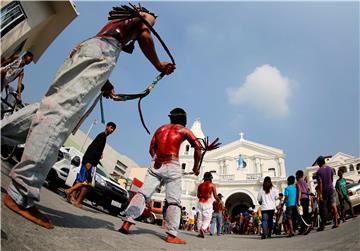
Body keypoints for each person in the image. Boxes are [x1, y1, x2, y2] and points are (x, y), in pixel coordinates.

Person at [1, 4, 175, 229]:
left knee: (49, 108)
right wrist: (159, 64)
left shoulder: (113, 27)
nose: (152, 23)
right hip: (102, 51)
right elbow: (144, 30)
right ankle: (21, 193)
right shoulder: (143, 17)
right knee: (61, 114)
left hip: (88, 47)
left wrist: (104, 82)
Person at [119, 108, 201, 244]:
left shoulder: (160, 129)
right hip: (173, 164)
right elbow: (197, 147)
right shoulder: (184, 130)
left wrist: (156, 159)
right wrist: (195, 167)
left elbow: (151, 148)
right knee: (173, 201)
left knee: (142, 194)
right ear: (184, 120)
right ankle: (171, 235)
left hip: (156, 164)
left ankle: (127, 222)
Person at [64, 122, 116, 207]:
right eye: (111, 127)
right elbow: (93, 150)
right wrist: (90, 162)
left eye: (113, 129)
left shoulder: (102, 136)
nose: (112, 130)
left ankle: (72, 196)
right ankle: (72, 195)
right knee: (87, 184)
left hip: (88, 161)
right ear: (107, 127)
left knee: (81, 180)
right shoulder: (102, 136)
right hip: (89, 162)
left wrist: (99, 155)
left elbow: (94, 149)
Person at [315, 156, 339, 231]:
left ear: (319, 163)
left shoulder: (318, 172)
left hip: (324, 191)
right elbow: (331, 179)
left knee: (323, 209)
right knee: (333, 205)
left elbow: (320, 183)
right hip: (331, 189)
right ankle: (336, 222)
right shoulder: (330, 168)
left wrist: (320, 194)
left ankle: (322, 226)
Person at [196, 172, 220, 238]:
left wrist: (202, 196)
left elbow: (198, 195)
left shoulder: (200, 185)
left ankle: (199, 231)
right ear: (210, 178)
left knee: (200, 218)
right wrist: (219, 201)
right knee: (207, 218)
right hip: (208, 202)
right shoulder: (212, 185)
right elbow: (215, 196)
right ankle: (203, 229)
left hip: (200, 202)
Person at [296, 170, 310, 234]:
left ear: (297, 176)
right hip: (306, 198)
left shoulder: (298, 183)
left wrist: (298, 200)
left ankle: (305, 227)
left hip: (301, 198)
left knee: (301, 214)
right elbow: (307, 190)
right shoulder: (305, 182)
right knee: (306, 213)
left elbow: (299, 191)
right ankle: (304, 228)